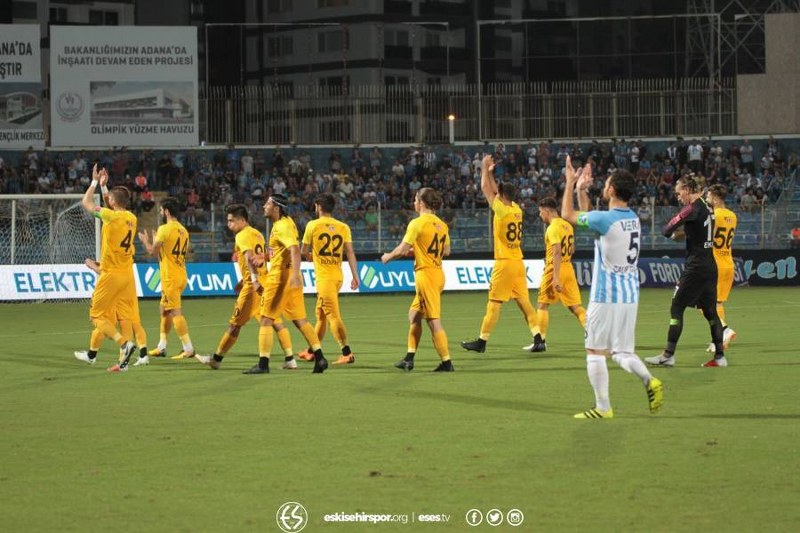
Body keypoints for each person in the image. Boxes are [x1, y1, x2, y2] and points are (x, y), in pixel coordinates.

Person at [561, 155, 663, 419]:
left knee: (594, 351)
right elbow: (590, 219)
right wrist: (583, 190)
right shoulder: (631, 219)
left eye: (606, 184)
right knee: (621, 352)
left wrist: (570, 183)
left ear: (613, 190)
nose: (603, 187)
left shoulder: (605, 219)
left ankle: (603, 407)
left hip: (605, 296)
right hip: (629, 296)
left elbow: (568, 215)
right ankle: (649, 380)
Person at [461, 153, 543, 354]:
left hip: (504, 262)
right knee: (525, 304)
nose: (495, 194)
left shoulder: (502, 211)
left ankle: (482, 341)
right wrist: (490, 173)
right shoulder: (516, 209)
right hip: (518, 262)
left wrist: (484, 170)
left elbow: (485, 189)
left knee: (494, 303)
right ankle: (538, 338)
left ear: (502, 196)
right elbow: (495, 189)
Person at [196, 204, 296, 370]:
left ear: (242, 220)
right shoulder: (257, 233)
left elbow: (250, 258)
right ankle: (290, 359)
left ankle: (216, 359)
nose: (229, 224)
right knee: (275, 321)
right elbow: (262, 257)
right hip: (266, 281)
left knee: (235, 324)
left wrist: (252, 280)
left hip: (253, 286)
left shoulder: (241, 235)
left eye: (232, 221)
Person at [645, 174, 727, 368]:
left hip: (695, 267)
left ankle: (668, 355)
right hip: (710, 265)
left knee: (676, 308)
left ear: (687, 190)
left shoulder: (692, 207)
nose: (678, 197)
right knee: (711, 312)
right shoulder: (708, 208)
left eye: (679, 192)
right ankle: (720, 357)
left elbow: (667, 229)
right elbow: (696, 231)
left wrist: (671, 232)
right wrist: (681, 236)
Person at [243, 193, 329, 374]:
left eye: (267, 204)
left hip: (280, 280)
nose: (264, 206)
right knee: (300, 320)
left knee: (266, 319)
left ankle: (263, 364)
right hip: (290, 279)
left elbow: (295, 249)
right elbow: (281, 251)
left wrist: (295, 274)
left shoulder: (281, 226)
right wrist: (264, 257)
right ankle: (320, 358)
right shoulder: (286, 224)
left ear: (277, 207)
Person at [73, 165, 138, 372]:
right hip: (127, 275)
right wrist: (104, 187)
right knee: (120, 317)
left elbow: (86, 203)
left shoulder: (111, 217)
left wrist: (93, 182)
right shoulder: (131, 218)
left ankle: (124, 344)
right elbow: (111, 204)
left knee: (97, 317)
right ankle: (110, 360)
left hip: (110, 274)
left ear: (111, 202)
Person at [382, 187, 453, 372]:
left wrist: (388, 257)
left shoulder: (417, 223)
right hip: (438, 273)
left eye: (415, 199)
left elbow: (402, 249)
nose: (414, 203)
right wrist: (421, 249)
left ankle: (447, 362)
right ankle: (409, 358)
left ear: (421, 202)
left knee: (433, 320)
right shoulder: (442, 225)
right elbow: (446, 251)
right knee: (414, 315)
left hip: (426, 275)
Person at [297, 192, 360, 365]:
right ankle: (312, 350)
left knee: (332, 315)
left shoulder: (312, 225)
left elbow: (303, 251)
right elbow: (350, 253)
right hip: (338, 276)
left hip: (325, 279)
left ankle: (347, 352)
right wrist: (356, 276)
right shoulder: (343, 227)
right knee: (321, 315)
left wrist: (312, 257)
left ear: (319, 206)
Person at [137, 197, 196, 364]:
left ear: (167, 211)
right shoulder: (184, 230)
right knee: (163, 309)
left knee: (175, 312)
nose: (161, 213)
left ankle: (188, 348)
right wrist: (158, 240)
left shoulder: (164, 228)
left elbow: (152, 252)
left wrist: (146, 241)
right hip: (181, 274)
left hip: (170, 277)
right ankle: (162, 346)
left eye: (162, 210)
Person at [532, 196, 586, 350]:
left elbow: (556, 252)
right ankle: (593, 333)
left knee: (542, 305)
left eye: (541, 212)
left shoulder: (553, 227)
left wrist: (555, 277)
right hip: (568, 267)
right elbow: (572, 248)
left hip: (555, 269)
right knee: (576, 307)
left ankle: (540, 341)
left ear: (547, 211)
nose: (540, 215)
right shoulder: (567, 225)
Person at [705, 185, 738, 354]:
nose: (707, 199)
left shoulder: (714, 216)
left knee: (703, 302)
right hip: (728, 263)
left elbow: (707, 237)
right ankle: (716, 339)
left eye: (709, 196)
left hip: (715, 264)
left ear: (716, 198)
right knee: (717, 303)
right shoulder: (732, 216)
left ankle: (724, 329)